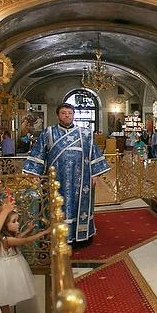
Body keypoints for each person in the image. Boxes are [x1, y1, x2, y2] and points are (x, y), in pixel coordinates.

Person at [23, 104, 110, 246]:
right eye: (63, 113)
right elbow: (39, 153)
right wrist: (34, 173)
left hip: (82, 180)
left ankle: (81, 236)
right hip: (57, 180)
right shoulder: (48, 133)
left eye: (70, 113)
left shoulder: (85, 133)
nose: (67, 116)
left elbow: (94, 152)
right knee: (58, 207)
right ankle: (57, 235)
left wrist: (95, 174)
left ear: (73, 115)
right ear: (58, 116)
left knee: (79, 207)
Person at [0, 208, 50, 313]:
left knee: (5, 299)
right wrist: (45, 232)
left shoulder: (7, 237)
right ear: (4, 225)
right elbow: (24, 241)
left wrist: (28, 230)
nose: (17, 223)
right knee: (4, 300)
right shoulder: (5, 240)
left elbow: (19, 238)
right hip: (5, 271)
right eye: (14, 221)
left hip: (9, 269)